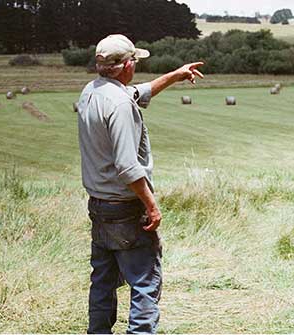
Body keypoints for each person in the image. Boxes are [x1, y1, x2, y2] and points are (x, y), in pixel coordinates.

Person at [77, 34, 204, 334]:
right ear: (126, 65)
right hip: (125, 208)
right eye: (134, 60)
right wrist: (151, 205)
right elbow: (127, 166)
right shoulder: (120, 104)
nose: (136, 65)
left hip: (99, 206)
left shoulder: (92, 91)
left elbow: (139, 92)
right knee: (145, 284)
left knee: (103, 282)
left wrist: (175, 75)